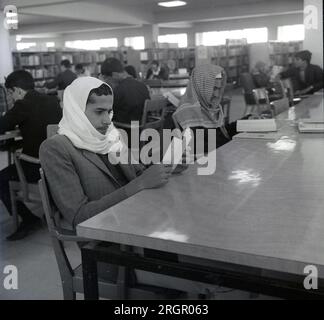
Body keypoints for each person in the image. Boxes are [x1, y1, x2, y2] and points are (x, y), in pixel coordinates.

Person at [39, 77, 170, 228]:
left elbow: (138, 172)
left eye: (109, 111)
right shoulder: (56, 148)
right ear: (77, 111)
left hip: (137, 214)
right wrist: (138, 185)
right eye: (99, 112)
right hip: (107, 234)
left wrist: (164, 167)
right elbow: (79, 217)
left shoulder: (111, 134)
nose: (108, 120)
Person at [0, 70, 62, 240]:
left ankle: (28, 219)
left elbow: (2, 125)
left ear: (18, 90)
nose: (11, 98)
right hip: (57, 164)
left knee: (1, 178)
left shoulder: (22, 105)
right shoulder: (52, 101)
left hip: (37, 166)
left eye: (11, 93)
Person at [173, 64, 240, 150]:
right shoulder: (187, 114)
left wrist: (246, 123)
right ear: (200, 87)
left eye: (219, 89)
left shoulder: (210, 107)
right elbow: (204, 147)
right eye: (213, 89)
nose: (217, 95)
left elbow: (221, 133)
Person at [100, 57, 150, 124]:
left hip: (125, 130)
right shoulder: (142, 86)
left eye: (106, 78)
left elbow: (105, 112)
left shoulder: (119, 91)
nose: (106, 82)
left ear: (115, 75)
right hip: (143, 129)